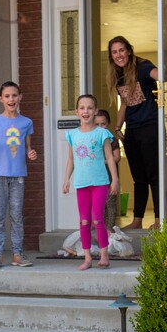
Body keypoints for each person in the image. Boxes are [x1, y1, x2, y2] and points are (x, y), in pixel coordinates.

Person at [106, 35, 160, 230]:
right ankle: (137, 220)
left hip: (150, 127)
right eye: (115, 52)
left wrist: (165, 73)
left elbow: (157, 74)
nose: (119, 55)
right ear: (111, 56)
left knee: (153, 175)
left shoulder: (142, 66)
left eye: (121, 50)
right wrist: (118, 128)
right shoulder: (119, 75)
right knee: (139, 177)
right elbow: (125, 105)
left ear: (128, 50)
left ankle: (158, 219)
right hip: (132, 130)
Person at [0, 81, 37, 270]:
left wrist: (31, 154)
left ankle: (17, 253)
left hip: (18, 175)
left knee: (16, 216)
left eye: (14, 95)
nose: (11, 99)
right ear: (1, 99)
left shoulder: (26, 122)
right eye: (7, 96)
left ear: (20, 97)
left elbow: (28, 148)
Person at [62, 94, 119, 271]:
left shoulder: (102, 133)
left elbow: (110, 158)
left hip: (100, 183)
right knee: (84, 221)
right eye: (82, 108)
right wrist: (66, 180)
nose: (85, 111)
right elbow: (71, 160)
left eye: (89, 108)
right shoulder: (72, 135)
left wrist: (115, 180)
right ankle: (87, 257)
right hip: (82, 184)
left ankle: (104, 255)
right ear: (77, 111)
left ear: (95, 111)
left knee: (97, 219)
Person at [94, 108, 122, 232]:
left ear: (108, 124)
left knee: (110, 204)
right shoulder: (92, 141)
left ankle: (110, 230)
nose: (100, 127)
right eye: (97, 124)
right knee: (98, 205)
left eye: (103, 124)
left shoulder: (112, 140)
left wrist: (104, 161)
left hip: (110, 178)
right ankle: (98, 229)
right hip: (96, 178)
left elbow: (117, 157)